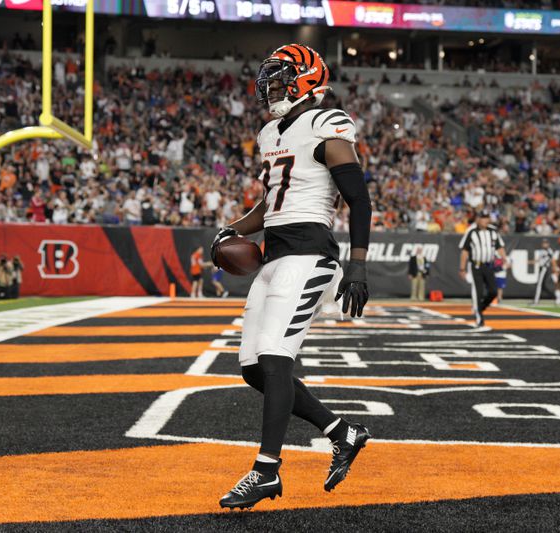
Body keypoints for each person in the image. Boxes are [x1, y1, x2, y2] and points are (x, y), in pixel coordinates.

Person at [211, 44, 372, 510]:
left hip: (309, 254)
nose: (270, 87)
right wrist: (233, 228)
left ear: (306, 79)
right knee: (253, 370)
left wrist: (358, 263)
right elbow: (270, 203)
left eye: (280, 78)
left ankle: (265, 470)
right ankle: (344, 433)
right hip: (275, 256)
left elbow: (358, 199)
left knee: (276, 357)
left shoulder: (327, 123)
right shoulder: (268, 133)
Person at [459, 209, 508, 327]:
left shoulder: (493, 231)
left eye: (487, 218)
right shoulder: (471, 232)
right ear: (478, 219)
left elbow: (499, 247)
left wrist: (505, 259)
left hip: (489, 265)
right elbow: (465, 251)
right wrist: (462, 268)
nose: (485, 220)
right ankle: (479, 318)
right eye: (483, 218)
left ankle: (480, 307)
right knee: (478, 292)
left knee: (493, 291)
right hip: (476, 265)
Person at [529, 238, 555, 305]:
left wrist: (554, 268)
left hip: (544, 268)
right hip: (541, 268)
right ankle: (536, 300)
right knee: (541, 285)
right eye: (543, 243)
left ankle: (536, 301)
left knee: (539, 285)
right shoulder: (542, 250)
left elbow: (551, 260)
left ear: (548, 244)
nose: (544, 244)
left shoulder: (549, 250)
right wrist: (530, 262)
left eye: (545, 243)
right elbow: (538, 260)